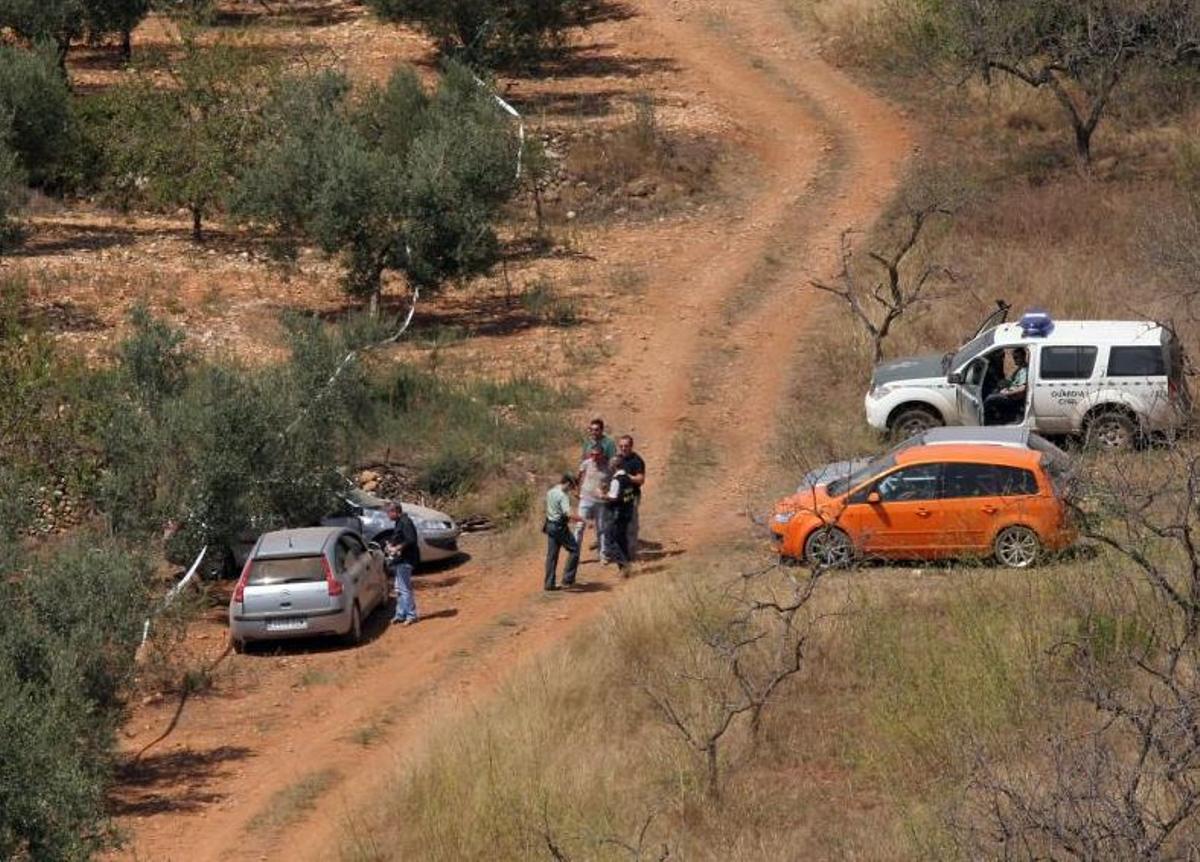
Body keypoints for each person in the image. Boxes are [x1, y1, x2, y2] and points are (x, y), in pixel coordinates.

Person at [544, 473, 582, 591]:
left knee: (552, 556)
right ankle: (567, 580)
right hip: (559, 527)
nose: (571, 489)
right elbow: (568, 514)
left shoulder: (550, 492)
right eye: (571, 486)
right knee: (574, 550)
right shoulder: (563, 495)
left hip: (550, 525)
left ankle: (549, 584)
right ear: (568, 483)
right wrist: (583, 519)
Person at [385, 502, 420, 625]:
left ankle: (411, 615)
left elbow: (411, 540)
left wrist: (397, 548)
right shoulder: (399, 522)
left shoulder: (405, 522)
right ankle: (400, 614)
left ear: (395, 511)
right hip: (400, 560)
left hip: (406, 560)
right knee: (398, 588)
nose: (388, 515)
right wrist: (391, 544)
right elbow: (399, 537)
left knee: (404, 589)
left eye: (389, 512)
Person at [575, 445, 610, 563]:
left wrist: (607, 493)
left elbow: (613, 482)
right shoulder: (586, 463)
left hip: (601, 502)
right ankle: (574, 556)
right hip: (585, 499)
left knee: (601, 528)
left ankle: (603, 555)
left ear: (602, 455)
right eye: (592, 454)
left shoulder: (608, 467)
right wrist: (577, 490)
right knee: (579, 527)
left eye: (597, 455)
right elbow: (578, 476)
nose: (594, 457)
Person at [604, 455, 637, 578]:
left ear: (613, 466)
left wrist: (602, 495)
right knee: (622, 540)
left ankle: (624, 565)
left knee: (611, 540)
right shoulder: (627, 478)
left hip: (617, 515)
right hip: (626, 513)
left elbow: (613, 497)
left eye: (610, 464)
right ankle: (625, 569)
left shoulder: (616, 480)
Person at [617, 435, 646, 560]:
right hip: (618, 497)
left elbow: (640, 479)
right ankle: (620, 553)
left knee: (631, 525)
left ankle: (631, 553)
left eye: (626, 446)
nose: (623, 448)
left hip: (632, 496)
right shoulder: (617, 459)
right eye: (621, 446)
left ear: (631, 446)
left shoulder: (637, 460)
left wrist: (627, 476)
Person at [984, 348, 1029, 425]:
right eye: (1013, 358)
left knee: (990, 399)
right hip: (1009, 392)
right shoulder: (1020, 369)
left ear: (1023, 357)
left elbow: (1022, 388)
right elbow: (1013, 382)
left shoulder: (1024, 371)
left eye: (1016, 358)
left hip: (1014, 398)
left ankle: (988, 422)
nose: (1014, 360)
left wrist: (1006, 393)